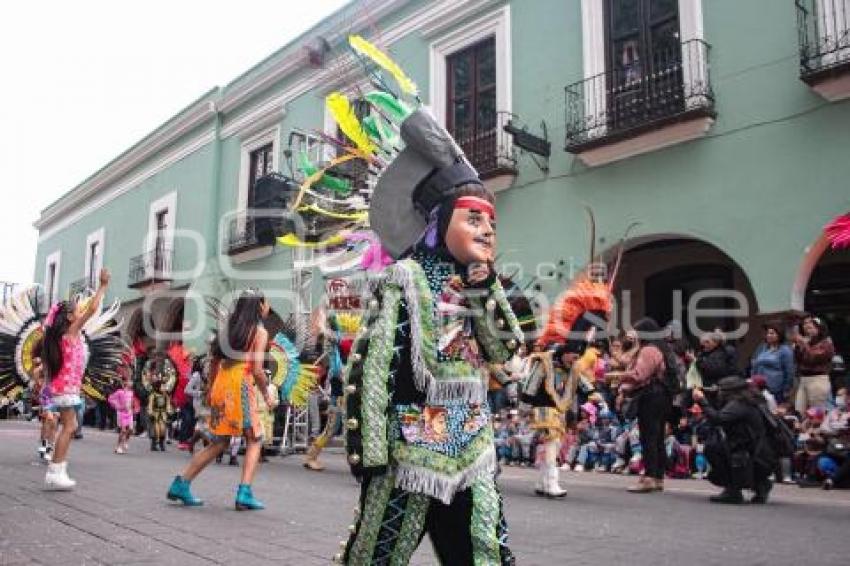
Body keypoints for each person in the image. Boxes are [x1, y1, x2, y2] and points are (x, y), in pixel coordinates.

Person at [337, 57, 524, 561]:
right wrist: (370, 451)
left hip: (472, 449)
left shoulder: (478, 283)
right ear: (440, 222)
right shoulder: (406, 277)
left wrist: (485, 286)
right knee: (377, 554)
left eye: (491, 224)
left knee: (486, 553)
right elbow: (374, 365)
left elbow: (506, 354)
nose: (487, 231)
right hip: (409, 451)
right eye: (474, 220)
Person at [166, 290, 275, 510]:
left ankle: (182, 483)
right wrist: (266, 393)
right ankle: (244, 492)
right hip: (241, 386)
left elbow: (214, 361)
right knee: (255, 438)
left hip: (221, 385)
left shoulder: (229, 330)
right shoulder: (260, 332)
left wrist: (210, 389)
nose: (267, 308)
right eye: (266, 304)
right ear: (259, 306)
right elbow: (256, 369)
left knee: (219, 441)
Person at [41, 269, 110, 490]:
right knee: (69, 426)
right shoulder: (71, 331)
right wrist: (103, 285)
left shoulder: (65, 334)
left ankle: (58, 469)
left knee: (70, 425)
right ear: (70, 317)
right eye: (76, 310)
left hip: (65, 387)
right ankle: (55, 470)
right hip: (66, 388)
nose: (80, 311)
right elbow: (92, 309)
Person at [618, 317, 678, 494]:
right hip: (662, 397)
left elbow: (639, 375)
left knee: (648, 437)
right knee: (657, 436)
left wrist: (619, 377)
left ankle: (650, 477)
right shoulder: (661, 347)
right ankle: (658, 477)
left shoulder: (649, 350)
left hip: (651, 397)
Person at [693, 376, 776, 504]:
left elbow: (718, 419)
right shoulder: (751, 400)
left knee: (713, 448)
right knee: (722, 447)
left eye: (721, 390)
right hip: (758, 452)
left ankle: (734, 489)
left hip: (750, 453)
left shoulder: (740, 404)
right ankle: (760, 484)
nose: (719, 392)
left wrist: (702, 401)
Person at [792, 316, 835, 412]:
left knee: (816, 413)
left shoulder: (826, 342)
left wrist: (803, 344)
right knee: (799, 411)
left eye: (811, 326)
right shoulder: (806, 342)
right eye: (805, 325)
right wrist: (798, 347)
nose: (807, 328)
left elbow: (813, 357)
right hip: (803, 379)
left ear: (819, 328)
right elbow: (798, 360)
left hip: (817, 379)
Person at [750, 323, 795, 404]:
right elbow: (754, 362)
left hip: (776, 389)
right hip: (759, 388)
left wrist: (786, 389)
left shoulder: (785, 350)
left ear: (779, 335)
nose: (769, 335)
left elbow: (789, 372)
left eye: (772, 333)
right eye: (768, 333)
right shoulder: (762, 347)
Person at [108, 377, 136, 454]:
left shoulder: (131, 392)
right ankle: (118, 446)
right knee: (123, 430)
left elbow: (132, 402)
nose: (132, 383)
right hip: (121, 413)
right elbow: (110, 399)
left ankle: (126, 441)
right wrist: (117, 405)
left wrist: (134, 408)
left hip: (129, 413)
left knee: (130, 430)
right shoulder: (119, 392)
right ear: (126, 383)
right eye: (130, 381)